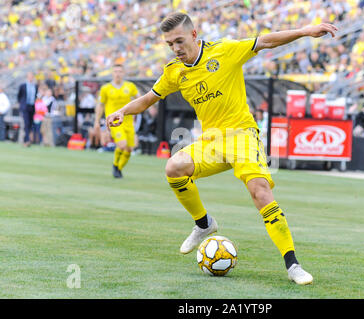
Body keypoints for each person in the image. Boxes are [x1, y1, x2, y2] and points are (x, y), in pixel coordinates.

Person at [106, 12, 338, 285]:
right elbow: (148, 99)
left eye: (179, 41)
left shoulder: (225, 51)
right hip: (212, 141)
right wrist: (123, 110)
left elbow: (266, 41)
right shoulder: (174, 71)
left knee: (260, 191)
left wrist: (306, 30)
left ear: (193, 35)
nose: (176, 48)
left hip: (242, 135)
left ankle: (293, 265)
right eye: (170, 44)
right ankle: (204, 224)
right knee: (174, 167)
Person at [94, 64, 139, 178]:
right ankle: (115, 165)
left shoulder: (130, 86)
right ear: (112, 73)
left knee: (129, 150)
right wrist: (97, 121)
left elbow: (139, 99)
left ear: (123, 73)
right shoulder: (106, 88)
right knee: (122, 145)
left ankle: (118, 168)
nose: (117, 74)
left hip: (128, 122)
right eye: (115, 71)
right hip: (114, 122)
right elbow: (100, 105)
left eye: (120, 71)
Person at [17, 72, 38, 147]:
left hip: (32, 107)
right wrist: (21, 104)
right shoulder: (23, 86)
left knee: (30, 124)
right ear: (27, 77)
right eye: (29, 76)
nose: (31, 78)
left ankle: (27, 139)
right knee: (26, 123)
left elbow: (35, 96)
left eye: (32, 76)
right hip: (25, 106)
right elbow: (19, 96)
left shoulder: (35, 86)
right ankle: (27, 140)